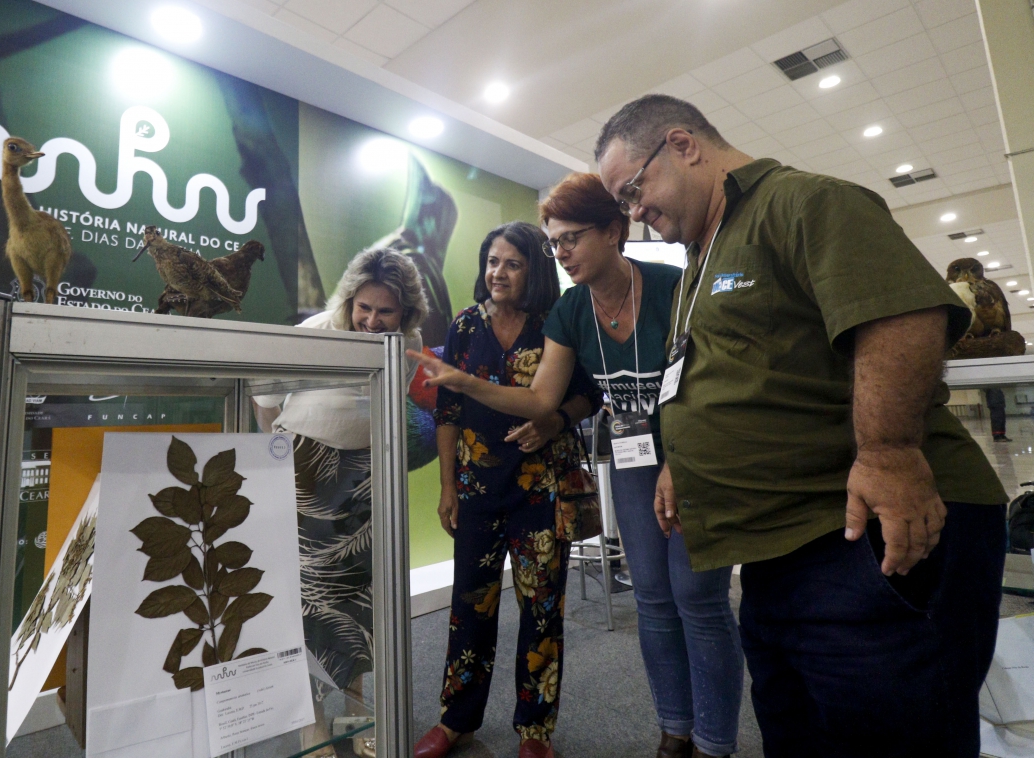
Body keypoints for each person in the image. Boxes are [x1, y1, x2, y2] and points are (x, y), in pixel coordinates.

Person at [594, 94, 1008, 757]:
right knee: (802, 732)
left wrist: (890, 453)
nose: (634, 213)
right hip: (778, 550)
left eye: (633, 191)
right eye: (622, 205)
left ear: (684, 145)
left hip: (861, 532)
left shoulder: (801, 202)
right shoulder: (704, 255)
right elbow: (709, 375)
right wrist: (682, 461)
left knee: (890, 735)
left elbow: (902, 318)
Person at [410, 178, 744, 758]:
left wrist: (560, 422)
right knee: (646, 601)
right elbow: (500, 405)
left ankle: (705, 742)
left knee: (688, 600)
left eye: (568, 239)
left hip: (635, 468)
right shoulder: (531, 316)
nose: (559, 251)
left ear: (613, 232)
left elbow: (705, 383)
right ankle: (671, 732)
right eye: (553, 242)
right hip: (560, 473)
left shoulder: (642, 296)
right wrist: (460, 412)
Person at [415, 221, 602, 758]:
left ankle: (535, 731)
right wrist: (448, 484)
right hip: (476, 487)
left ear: (534, 270)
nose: (497, 272)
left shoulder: (557, 322)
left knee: (542, 609)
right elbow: (447, 409)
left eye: (512, 263)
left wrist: (555, 421)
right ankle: (457, 719)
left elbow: (587, 394)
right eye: (492, 261)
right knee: (469, 605)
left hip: (541, 488)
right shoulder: (466, 325)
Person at [254, 246, 427, 758]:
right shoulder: (315, 332)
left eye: (385, 311)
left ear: (406, 314)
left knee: (358, 603)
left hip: (367, 480)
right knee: (309, 604)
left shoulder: (409, 341)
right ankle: (313, 726)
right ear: (349, 300)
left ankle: (355, 710)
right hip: (308, 473)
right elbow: (265, 404)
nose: (372, 321)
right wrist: (285, 462)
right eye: (364, 308)